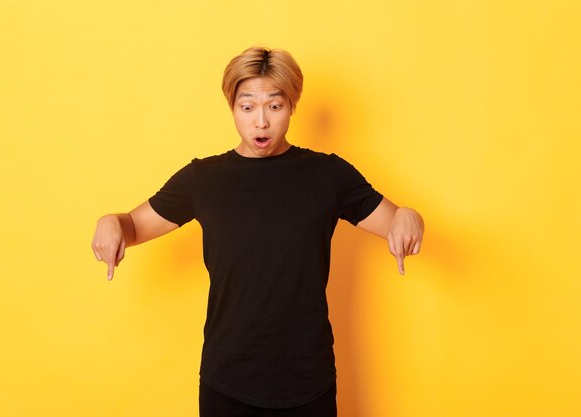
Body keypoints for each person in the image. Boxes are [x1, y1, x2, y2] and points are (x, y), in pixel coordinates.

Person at [91, 46, 424, 417]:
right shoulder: (204, 179)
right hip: (228, 382)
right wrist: (111, 221)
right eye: (247, 107)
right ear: (232, 108)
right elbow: (132, 225)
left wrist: (409, 215)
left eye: (274, 107)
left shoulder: (328, 175)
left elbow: (396, 220)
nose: (261, 122)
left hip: (308, 381)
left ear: (292, 105)